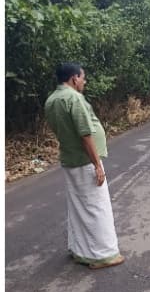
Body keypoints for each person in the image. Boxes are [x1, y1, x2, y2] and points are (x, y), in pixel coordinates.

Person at [44, 63, 124, 269]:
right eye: (83, 77)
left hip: (70, 159)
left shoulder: (51, 100)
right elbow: (85, 133)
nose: (84, 81)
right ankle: (103, 255)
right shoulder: (73, 99)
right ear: (74, 78)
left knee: (79, 207)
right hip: (85, 161)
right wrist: (97, 164)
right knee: (97, 208)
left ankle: (80, 250)